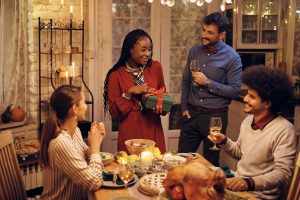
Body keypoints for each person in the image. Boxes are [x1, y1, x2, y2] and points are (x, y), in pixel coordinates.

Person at [208, 66, 297, 199]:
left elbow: (283, 174)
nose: (245, 99)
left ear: (267, 103)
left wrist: (248, 183)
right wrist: (224, 142)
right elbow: (240, 153)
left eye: (252, 97)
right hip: (238, 188)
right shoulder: (248, 120)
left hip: (259, 196)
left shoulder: (284, 130)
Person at [178, 12, 242, 166]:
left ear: (221, 35)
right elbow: (186, 79)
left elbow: (234, 91)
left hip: (215, 118)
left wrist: (208, 82)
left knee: (210, 164)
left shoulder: (232, 57)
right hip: (191, 114)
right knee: (181, 160)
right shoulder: (194, 51)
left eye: (209, 32)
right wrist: (184, 106)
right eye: (203, 30)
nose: (204, 35)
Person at [103, 29, 167, 153]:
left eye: (150, 49)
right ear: (130, 49)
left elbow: (163, 94)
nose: (148, 53)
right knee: (130, 169)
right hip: (130, 133)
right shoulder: (115, 75)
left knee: (157, 170)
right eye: (143, 50)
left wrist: (161, 104)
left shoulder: (155, 68)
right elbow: (114, 113)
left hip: (153, 129)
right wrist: (129, 92)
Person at [40, 85, 106, 200]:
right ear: (75, 109)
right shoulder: (61, 143)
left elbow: (84, 158)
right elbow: (95, 182)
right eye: (84, 103)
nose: (86, 107)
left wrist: (95, 139)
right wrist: (95, 148)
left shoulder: (75, 132)